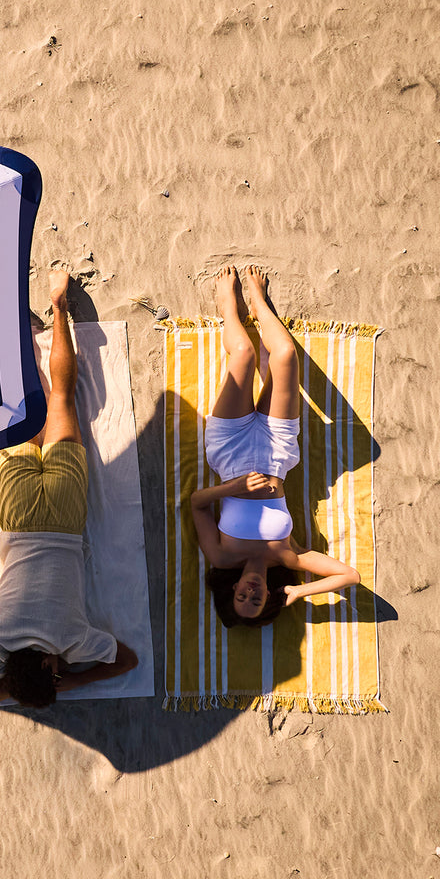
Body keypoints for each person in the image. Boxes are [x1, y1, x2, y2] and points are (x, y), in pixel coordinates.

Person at [0, 271, 138, 707]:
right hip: (19, 520)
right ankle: (26, 320)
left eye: (52, 675)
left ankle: (58, 308)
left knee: (63, 400)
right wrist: (21, 681)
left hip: (66, 520)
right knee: (27, 409)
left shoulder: (74, 640)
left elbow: (126, 662)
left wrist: (73, 681)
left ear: (49, 669)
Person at [190, 265, 361, 627]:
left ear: (233, 587)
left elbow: (197, 506)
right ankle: (260, 304)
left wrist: (233, 488)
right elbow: (349, 577)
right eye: (257, 600)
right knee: (284, 355)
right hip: (277, 450)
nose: (250, 592)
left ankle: (227, 307)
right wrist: (298, 592)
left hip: (231, 451)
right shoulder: (290, 557)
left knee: (244, 357)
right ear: (269, 596)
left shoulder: (222, 558)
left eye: (241, 597)